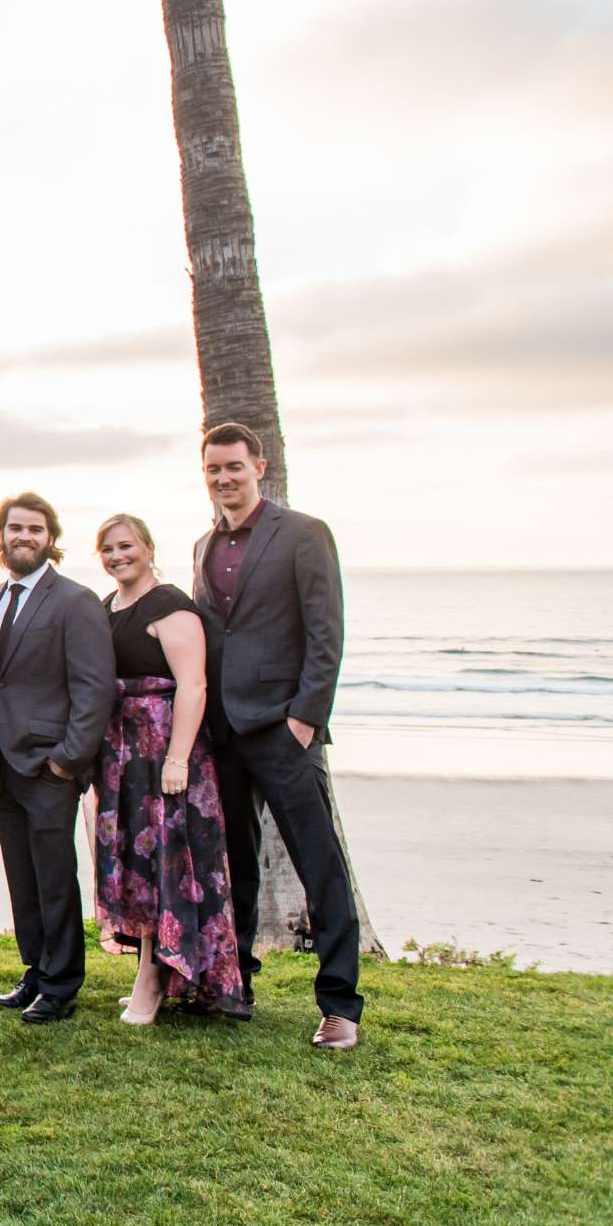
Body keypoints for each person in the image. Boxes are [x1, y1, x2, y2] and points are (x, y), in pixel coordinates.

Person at [191, 421, 363, 1049]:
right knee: (233, 866)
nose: (223, 478)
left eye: (233, 466)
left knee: (320, 866)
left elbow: (326, 633)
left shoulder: (304, 534)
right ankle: (236, 985)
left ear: (259, 466)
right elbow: (212, 635)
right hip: (226, 734)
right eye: (213, 469)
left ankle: (341, 1005)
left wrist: (305, 719)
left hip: (284, 730)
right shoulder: (203, 544)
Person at [97, 513, 246, 1024]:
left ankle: (155, 980)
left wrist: (178, 757)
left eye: (126, 546)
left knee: (170, 863)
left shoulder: (170, 605)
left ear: (147, 547)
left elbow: (194, 684)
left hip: (165, 751)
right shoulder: (109, 606)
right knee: (139, 870)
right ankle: (151, 967)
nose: (118, 556)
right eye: (108, 549)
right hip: (122, 755)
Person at [0, 492, 116, 1024]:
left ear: (50, 538)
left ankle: (61, 984)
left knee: (55, 875)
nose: (25, 537)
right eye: (16, 528)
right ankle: (35, 970)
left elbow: (94, 687)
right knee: (21, 874)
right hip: (3, 764)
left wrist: (68, 760)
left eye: (35, 529)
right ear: (2, 534)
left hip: (50, 766)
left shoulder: (75, 601)